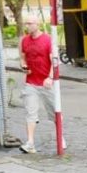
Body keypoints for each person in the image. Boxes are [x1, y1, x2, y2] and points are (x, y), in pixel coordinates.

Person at [19, 20, 57, 154]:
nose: (27, 26)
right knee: (31, 113)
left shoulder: (47, 40)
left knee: (54, 112)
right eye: (26, 23)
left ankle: (60, 136)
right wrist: (24, 66)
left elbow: (54, 61)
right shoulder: (24, 40)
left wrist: (50, 77)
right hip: (31, 83)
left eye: (29, 23)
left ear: (38, 24)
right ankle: (30, 143)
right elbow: (23, 58)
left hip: (46, 83)